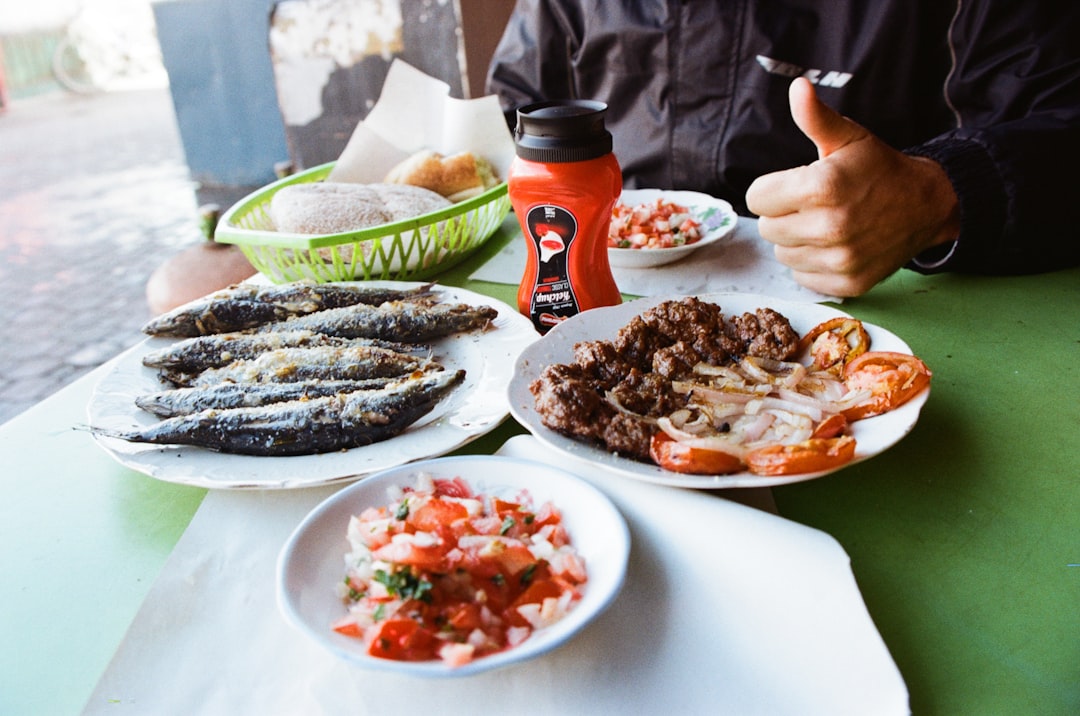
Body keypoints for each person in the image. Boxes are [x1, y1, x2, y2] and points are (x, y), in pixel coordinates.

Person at [485, 1, 1080, 297]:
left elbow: (1059, 117)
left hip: (887, 288)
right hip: (589, 272)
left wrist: (939, 192)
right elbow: (516, 103)